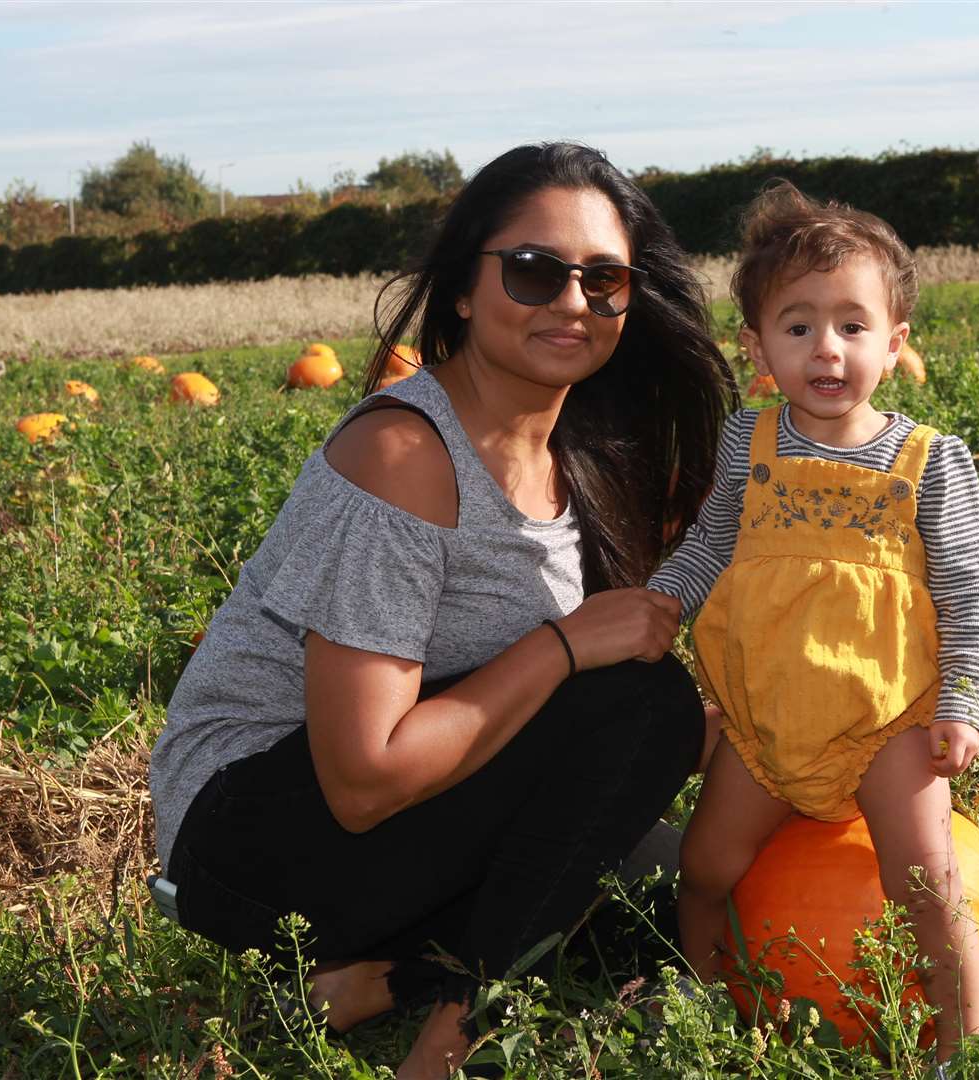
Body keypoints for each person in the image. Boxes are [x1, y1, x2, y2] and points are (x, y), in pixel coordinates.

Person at [149, 142, 733, 1079]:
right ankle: (454, 1037)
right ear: (463, 287)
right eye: (536, 272)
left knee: (689, 906)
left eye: (604, 280)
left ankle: (373, 982)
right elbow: (363, 778)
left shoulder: (578, 452)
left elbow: (551, 737)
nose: (573, 302)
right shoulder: (404, 456)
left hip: (410, 824)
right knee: (643, 704)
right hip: (254, 843)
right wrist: (566, 649)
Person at [647, 181, 979, 1070]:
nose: (826, 349)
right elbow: (711, 545)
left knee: (926, 882)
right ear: (758, 344)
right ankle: (703, 997)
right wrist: (662, 602)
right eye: (797, 326)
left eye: (852, 325)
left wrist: (964, 702)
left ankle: (959, 1048)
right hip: (766, 719)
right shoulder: (747, 444)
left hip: (890, 721)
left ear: (895, 342)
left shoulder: (930, 461)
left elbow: (968, 593)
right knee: (705, 869)